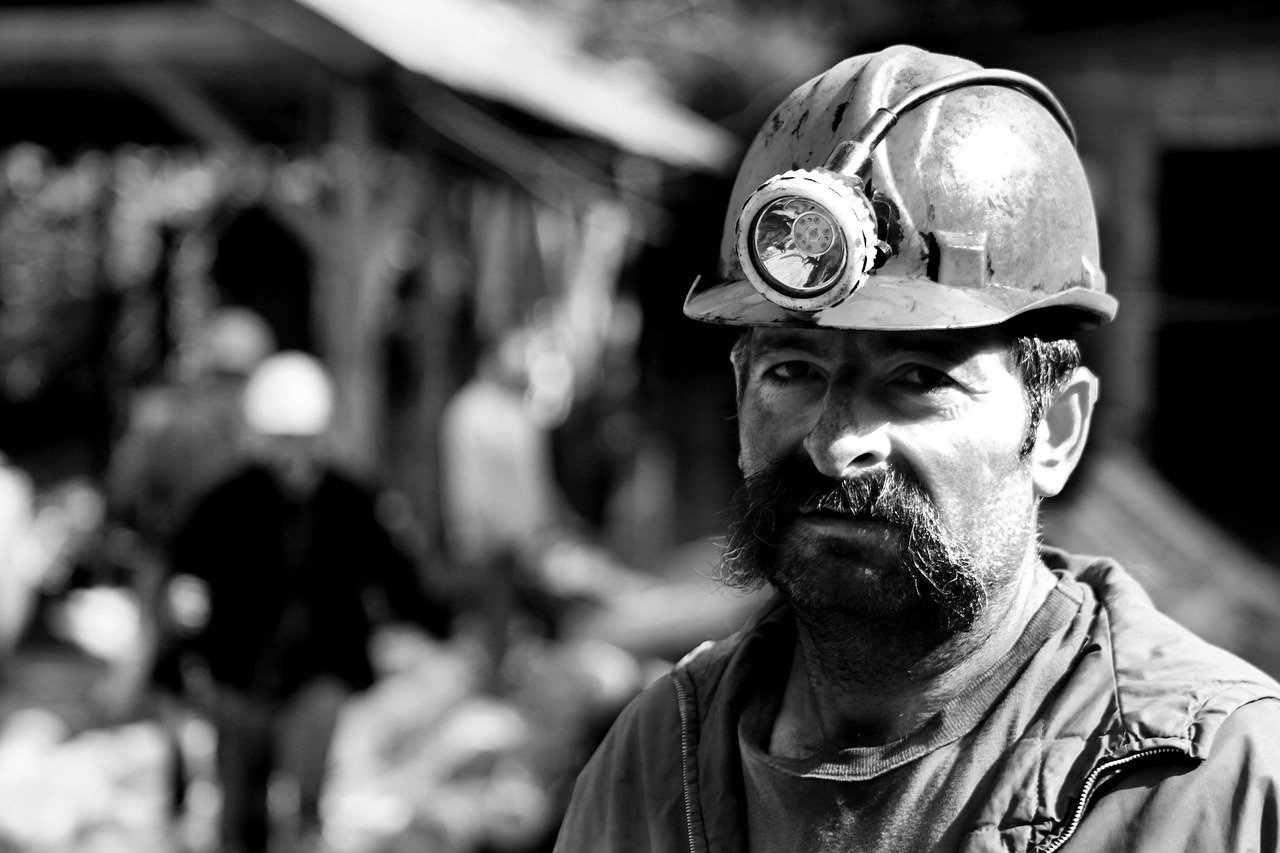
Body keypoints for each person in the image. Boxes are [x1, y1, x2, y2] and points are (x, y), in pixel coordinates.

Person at [555, 44, 1280, 852]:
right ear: (738, 395)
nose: (836, 445)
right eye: (793, 371)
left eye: (917, 379)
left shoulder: (1215, 783)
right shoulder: (658, 759)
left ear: (1058, 430)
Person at [166, 350, 452, 853]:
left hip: (320, 674)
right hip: (238, 674)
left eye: (302, 441)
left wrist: (438, 625)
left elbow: (395, 575)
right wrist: (175, 642)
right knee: (240, 810)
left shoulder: (353, 501)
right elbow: (181, 571)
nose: (291, 456)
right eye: (280, 442)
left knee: (303, 806)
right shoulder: (225, 501)